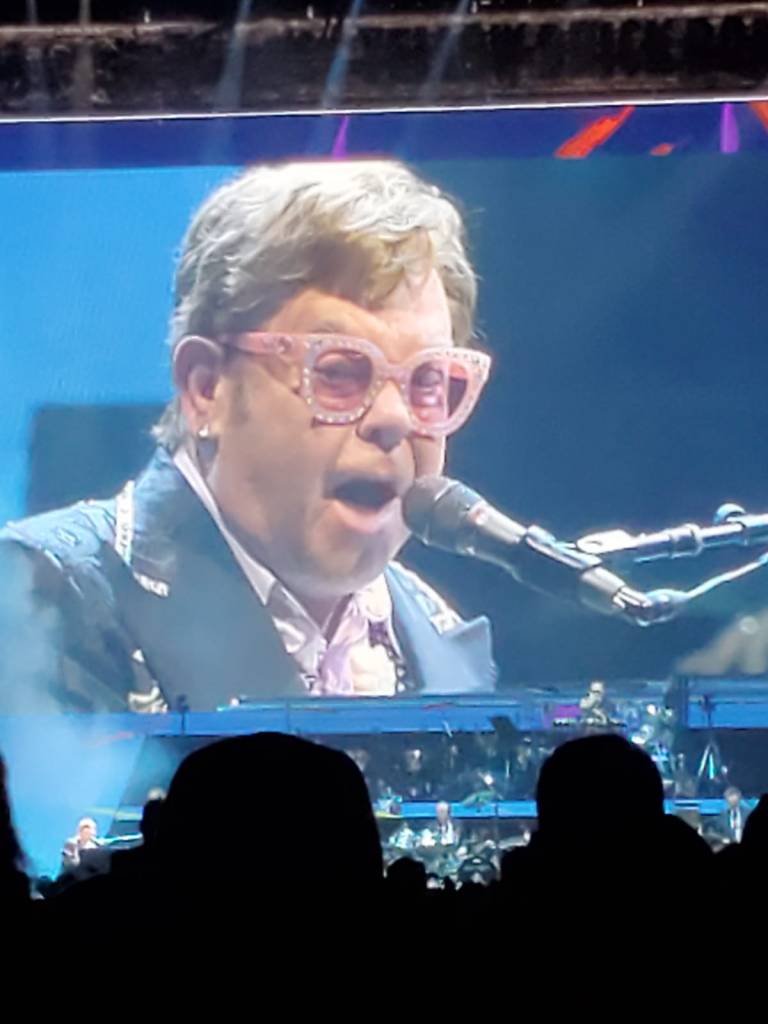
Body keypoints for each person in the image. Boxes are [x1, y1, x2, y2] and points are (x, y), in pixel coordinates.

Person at [0, 160, 496, 712]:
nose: (394, 418)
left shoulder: (439, 638)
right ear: (206, 387)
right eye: (339, 372)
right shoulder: (38, 600)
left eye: (426, 381)